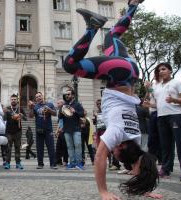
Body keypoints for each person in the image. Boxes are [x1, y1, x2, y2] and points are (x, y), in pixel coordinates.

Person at [62, 0, 161, 199]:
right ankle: (92, 27)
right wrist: (103, 191)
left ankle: (133, 5)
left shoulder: (134, 140)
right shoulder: (117, 134)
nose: (112, 154)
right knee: (70, 65)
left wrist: (146, 189)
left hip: (130, 69)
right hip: (119, 73)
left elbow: (140, 162)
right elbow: (99, 157)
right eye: (115, 154)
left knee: (112, 35)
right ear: (121, 147)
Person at [145, 63, 181, 182]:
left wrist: (174, 99)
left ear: (170, 71)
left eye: (164, 69)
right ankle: (166, 169)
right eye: (159, 70)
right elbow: (159, 103)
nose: (161, 72)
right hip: (161, 117)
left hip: (176, 116)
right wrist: (150, 104)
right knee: (165, 145)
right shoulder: (157, 86)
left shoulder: (177, 83)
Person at [28, 92, 58, 169]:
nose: (38, 98)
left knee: (51, 147)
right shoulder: (35, 106)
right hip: (39, 129)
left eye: (40, 96)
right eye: (37, 97)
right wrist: (31, 108)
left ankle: (53, 164)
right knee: (39, 148)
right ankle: (40, 164)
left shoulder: (49, 104)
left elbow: (55, 113)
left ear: (43, 96)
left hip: (48, 129)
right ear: (35, 99)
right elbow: (30, 116)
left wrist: (49, 110)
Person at [59, 89, 84, 170]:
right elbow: (59, 117)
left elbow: (82, 114)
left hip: (76, 128)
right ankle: (72, 163)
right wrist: (61, 111)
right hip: (67, 129)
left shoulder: (77, 104)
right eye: (66, 94)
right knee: (69, 147)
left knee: (77, 145)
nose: (67, 95)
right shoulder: (64, 105)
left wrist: (75, 111)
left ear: (73, 95)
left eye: (69, 94)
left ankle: (79, 163)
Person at [4, 94, 26, 169]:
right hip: (9, 131)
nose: (13, 100)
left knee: (17, 148)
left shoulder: (20, 108)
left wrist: (22, 115)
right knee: (8, 148)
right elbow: (4, 119)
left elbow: (25, 118)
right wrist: (4, 113)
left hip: (18, 131)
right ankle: (7, 163)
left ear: (17, 100)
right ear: (10, 100)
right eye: (12, 99)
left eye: (15, 99)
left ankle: (18, 163)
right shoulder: (7, 108)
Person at [55, 99, 68, 166]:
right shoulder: (59, 111)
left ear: (62, 103)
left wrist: (63, 129)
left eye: (58, 103)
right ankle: (58, 160)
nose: (57, 104)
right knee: (58, 146)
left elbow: (67, 121)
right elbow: (59, 122)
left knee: (64, 146)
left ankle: (65, 160)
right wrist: (57, 131)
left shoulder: (65, 110)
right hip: (60, 131)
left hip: (64, 131)